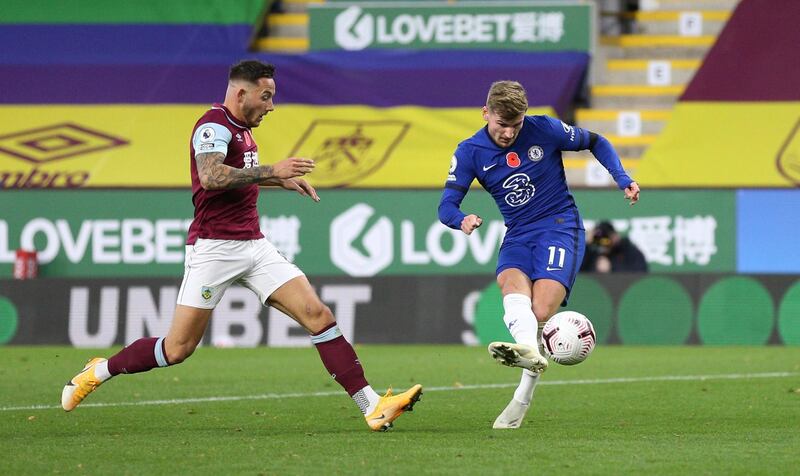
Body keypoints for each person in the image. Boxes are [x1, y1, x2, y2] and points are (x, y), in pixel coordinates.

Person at [61, 59, 422, 432]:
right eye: (265, 97)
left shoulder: (243, 131)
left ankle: (372, 406)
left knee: (319, 316)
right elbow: (212, 175)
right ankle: (98, 371)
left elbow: (234, 176)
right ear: (241, 93)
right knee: (177, 349)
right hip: (214, 248)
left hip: (254, 245)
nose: (270, 106)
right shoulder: (213, 125)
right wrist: (272, 171)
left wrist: (275, 182)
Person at [438, 80, 639, 429]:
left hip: (560, 226)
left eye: (516, 126)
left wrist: (622, 178)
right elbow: (446, 206)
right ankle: (529, 355)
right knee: (509, 285)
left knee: (540, 311)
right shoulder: (470, 151)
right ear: (486, 113)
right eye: (502, 125)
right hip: (518, 232)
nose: (508, 133)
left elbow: (597, 141)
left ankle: (522, 395)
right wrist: (462, 220)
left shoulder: (544, 128)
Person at [581, 220, 648, 273]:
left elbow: (640, 274)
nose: (603, 243)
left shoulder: (630, 252)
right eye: (598, 239)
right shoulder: (591, 253)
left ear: (615, 237)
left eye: (606, 239)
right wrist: (586, 244)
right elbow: (576, 272)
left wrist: (612, 268)